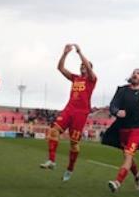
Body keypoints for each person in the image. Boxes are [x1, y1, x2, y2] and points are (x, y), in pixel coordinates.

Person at [40, 44, 97, 181]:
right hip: (69, 109)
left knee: (74, 143)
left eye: (85, 65)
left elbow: (89, 68)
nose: (82, 66)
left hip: (81, 113)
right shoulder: (75, 78)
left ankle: (70, 169)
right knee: (53, 131)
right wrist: (64, 54)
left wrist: (80, 53)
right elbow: (60, 68)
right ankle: (52, 161)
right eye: (81, 65)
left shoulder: (92, 79)